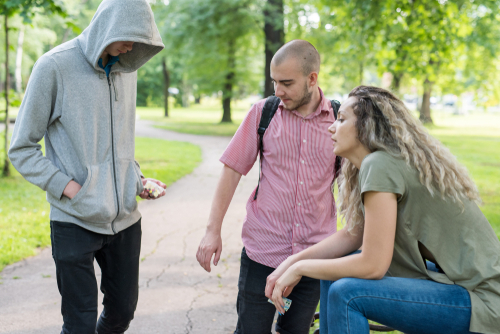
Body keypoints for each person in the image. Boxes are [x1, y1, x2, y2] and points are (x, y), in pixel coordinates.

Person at [266, 85, 500, 334]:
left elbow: (373, 265)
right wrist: (292, 261)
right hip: (456, 286)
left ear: (367, 126)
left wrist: (300, 268)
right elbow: (352, 234)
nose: (332, 127)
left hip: (483, 302)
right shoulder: (381, 162)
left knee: (347, 294)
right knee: (334, 269)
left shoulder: (381, 164)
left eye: (343, 119)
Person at [8, 0, 165, 332]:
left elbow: (117, 142)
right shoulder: (54, 66)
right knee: (78, 323)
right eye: (128, 36)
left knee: (122, 313)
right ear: (107, 25)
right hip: (73, 219)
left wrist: (135, 180)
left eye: (141, 40)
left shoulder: (126, 70)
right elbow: (21, 148)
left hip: (124, 222)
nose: (133, 46)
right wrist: (69, 188)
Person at [196, 40, 340, 334]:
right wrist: (213, 230)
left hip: (313, 260)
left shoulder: (340, 121)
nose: (278, 91)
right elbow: (232, 171)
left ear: (312, 79)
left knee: (294, 331)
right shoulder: (264, 113)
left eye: (286, 83)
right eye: (275, 82)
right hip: (263, 255)